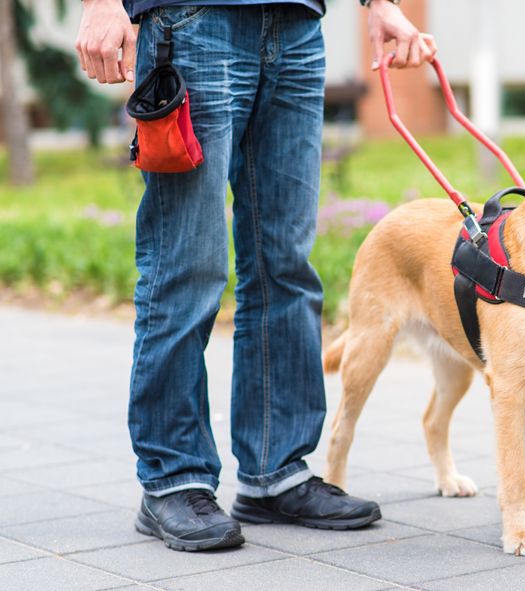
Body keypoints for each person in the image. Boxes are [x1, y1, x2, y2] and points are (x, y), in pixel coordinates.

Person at [75, 0, 436, 551]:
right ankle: (174, 479)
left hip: (296, 28)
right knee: (187, 266)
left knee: (285, 266)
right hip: (192, 24)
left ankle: (277, 471)